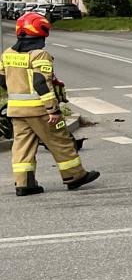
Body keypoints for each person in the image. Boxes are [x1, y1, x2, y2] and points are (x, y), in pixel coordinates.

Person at [5, 11, 99, 195]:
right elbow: (41, 82)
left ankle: (24, 184)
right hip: (40, 111)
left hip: (16, 110)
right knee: (61, 141)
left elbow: (2, 80)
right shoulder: (39, 55)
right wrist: (53, 110)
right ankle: (75, 176)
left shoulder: (7, 54)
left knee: (22, 147)